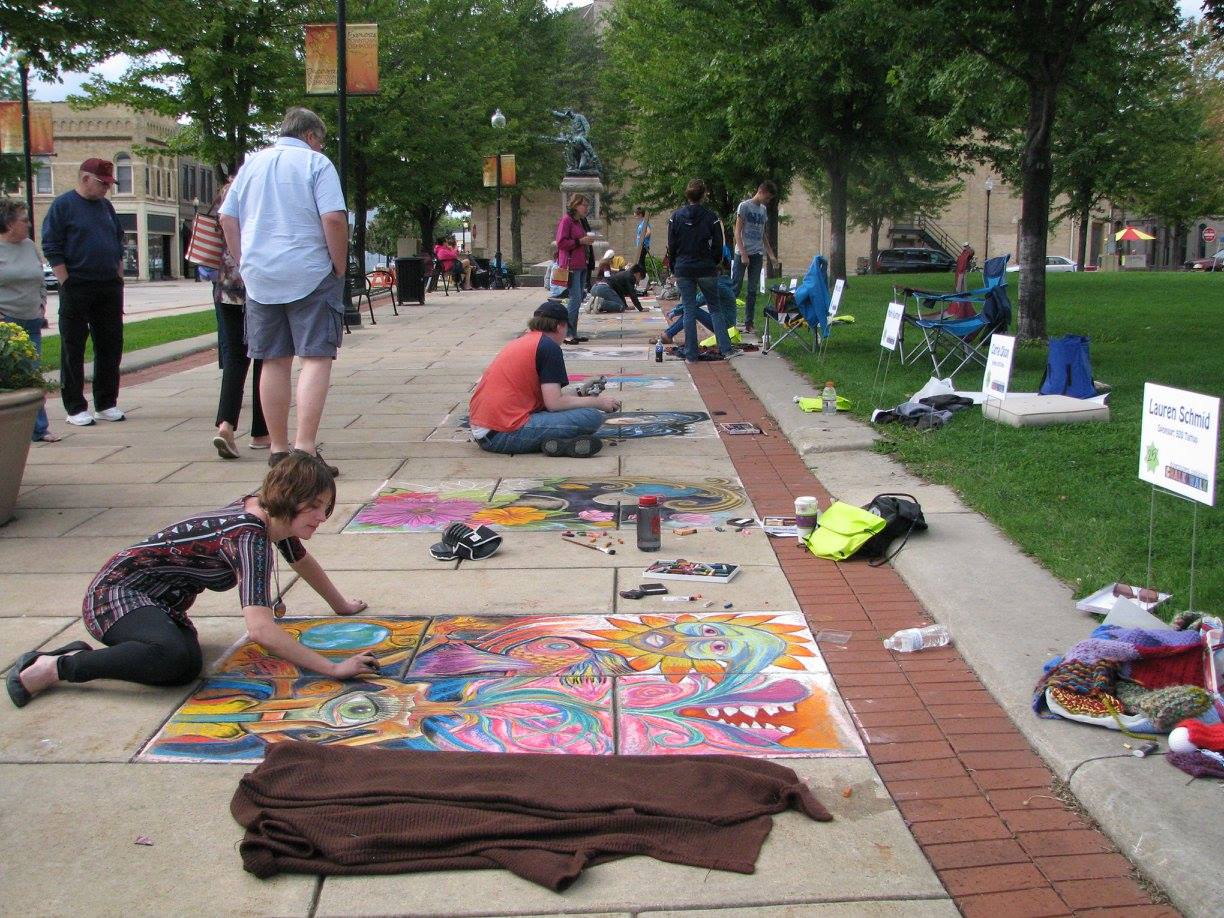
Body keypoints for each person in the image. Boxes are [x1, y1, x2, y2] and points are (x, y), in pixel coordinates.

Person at [6, 452, 375, 708]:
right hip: (115, 595)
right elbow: (261, 630)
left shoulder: (269, 516)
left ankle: (97, 654)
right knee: (172, 656)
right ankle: (56, 667)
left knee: (183, 666)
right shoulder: (249, 535)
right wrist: (332, 668)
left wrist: (341, 605)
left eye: (326, 507)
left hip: (155, 603)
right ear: (289, 499)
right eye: (314, 506)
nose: (322, 516)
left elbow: (302, 560)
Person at [218, 107, 347, 477]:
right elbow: (333, 218)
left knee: (273, 360)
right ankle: (304, 448)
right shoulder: (316, 164)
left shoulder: (252, 165)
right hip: (309, 269)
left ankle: (277, 448)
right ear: (311, 136)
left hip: (262, 276)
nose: (321, 147)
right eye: (320, 141)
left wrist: (244, 262)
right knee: (316, 357)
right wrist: (338, 264)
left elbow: (227, 217)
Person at [468, 301, 620, 457]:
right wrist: (598, 402)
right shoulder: (549, 347)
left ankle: (554, 442)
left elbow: (545, 398)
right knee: (591, 416)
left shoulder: (524, 341)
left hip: (485, 430)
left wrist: (580, 392)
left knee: (574, 412)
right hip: (503, 434)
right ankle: (559, 442)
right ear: (559, 327)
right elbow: (554, 403)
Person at [40, 157, 126, 428]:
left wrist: (118, 276)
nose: (106, 189)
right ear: (86, 178)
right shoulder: (63, 206)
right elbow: (51, 245)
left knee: (110, 344)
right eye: (103, 183)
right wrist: (65, 281)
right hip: (77, 284)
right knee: (73, 346)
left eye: (109, 184)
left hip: (107, 285)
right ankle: (75, 406)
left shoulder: (106, 207)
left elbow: (118, 241)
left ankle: (106, 402)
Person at [210, 178, 269, 460]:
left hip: (227, 288)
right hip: (258, 287)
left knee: (234, 358)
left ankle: (226, 425)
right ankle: (261, 432)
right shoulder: (259, 193)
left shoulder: (226, 193)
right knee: (265, 358)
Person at [0, 200, 58, 442]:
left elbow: (40, 278)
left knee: (32, 374)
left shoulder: (30, 246)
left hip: (31, 321)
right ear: (9, 224)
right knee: (8, 376)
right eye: (24, 220)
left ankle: (39, 429)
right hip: (6, 323)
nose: (29, 224)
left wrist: (42, 303)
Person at [665, 179, 736, 363]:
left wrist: (674, 266)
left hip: (683, 267)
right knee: (715, 308)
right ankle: (726, 349)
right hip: (705, 267)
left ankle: (691, 354)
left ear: (687, 195)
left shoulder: (675, 217)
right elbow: (719, 245)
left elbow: (672, 245)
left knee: (689, 310)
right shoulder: (711, 217)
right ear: (704, 195)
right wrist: (713, 262)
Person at [730, 181, 777, 335]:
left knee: (752, 290)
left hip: (757, 254)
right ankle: (730, 321)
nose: (768, 201)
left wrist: (771, 255)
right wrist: (743, 253)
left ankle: (749, 322)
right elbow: (737, 232)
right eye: (767, 198)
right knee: (735, 287)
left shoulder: (763, 210)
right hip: (742, 253)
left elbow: (762, 234)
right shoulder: (744, 206)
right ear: (761, 191)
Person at [555, 194, 595, 344]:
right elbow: (561, 242)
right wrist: (580, 241)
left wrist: (586, 241)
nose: (586, 208)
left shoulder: (580, 222)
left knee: (578, 300)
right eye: (584, 205)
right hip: (571, 265)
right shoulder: (567, 221)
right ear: (575, 205)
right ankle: (567, 333)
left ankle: (574, 332)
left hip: (582, 263)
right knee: (575, 298)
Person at [633, 206, 652, 270]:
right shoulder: (641, 223)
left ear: (640, 215)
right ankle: (642, 274)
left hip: (643, 245)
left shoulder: (645, 222)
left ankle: (643, 274)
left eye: (636, 216)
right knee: (640, 262)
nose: (636, 218)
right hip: (640, 245)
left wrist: (642, 240)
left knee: (641, 262)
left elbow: (649, 232)